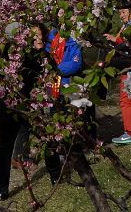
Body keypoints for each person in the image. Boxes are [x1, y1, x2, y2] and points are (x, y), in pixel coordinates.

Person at [0, 24, 45, 201]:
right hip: (24, 102)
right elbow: (42, 72)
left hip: (8, 103)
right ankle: (48, 173)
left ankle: (1, 189)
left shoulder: (3, 53)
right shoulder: (31, 54)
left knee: (5, 145)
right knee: (23, 134)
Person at [43, 27, 84, 185]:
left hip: (67, 86)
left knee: (70, 121)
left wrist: (57, 70)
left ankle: (71, 156)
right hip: (53, 87)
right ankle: (59, 160)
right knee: (55, 121)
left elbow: (75, 62)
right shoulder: (51, 40)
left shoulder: (73, 41)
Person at [107, 7, 131, 145]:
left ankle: (130, 133)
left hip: (130, 66)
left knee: (126, 100)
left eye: (124, 12)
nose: (121, 15)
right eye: (120, 13)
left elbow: (127, 45)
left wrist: (115, 46)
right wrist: (114, 39)